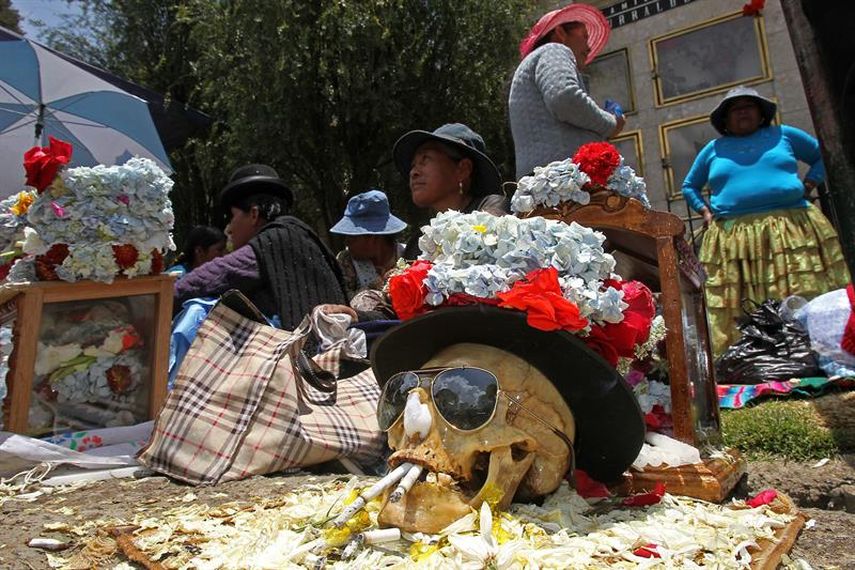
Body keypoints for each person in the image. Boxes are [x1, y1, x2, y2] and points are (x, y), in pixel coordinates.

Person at [682, 86, 850, 354]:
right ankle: (751, 354)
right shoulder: (714, 149)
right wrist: (705, 211)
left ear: (762, 114)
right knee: (737, 300)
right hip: (734, 237)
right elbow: (689, 185)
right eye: (736, 109)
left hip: (791, 229)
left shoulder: (785, 135)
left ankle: (816, 349)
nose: (744, 111)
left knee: (800, 290)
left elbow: (822, 154)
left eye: (750, 106)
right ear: (725, 120)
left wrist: (810, 182)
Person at [174, 164, 349, 330]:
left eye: (232, 216)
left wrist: (164, 297)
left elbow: (209, 277)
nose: (230, 228)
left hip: (303, 357)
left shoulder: (271, 243)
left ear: (254, 214)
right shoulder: (304, 236)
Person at [508, 3, 625, 178]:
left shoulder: (534, 62)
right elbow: (565, 97)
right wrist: (611, 124)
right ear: (561, 33)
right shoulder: (555, 49)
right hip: (561, 182)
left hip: (546, 182)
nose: (589, 47)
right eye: (584, 36)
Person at [393, 123, 508, 259]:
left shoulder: (492, 209)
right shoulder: (418, 244)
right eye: (413, 165)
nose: (413, 172)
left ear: (463, 169)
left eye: (425, 160)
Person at [330, 189, 407, 297]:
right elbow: (341, 300)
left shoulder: (409, 255)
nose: (346, 242)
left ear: (373, 236)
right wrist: (376, 286)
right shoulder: (346, 262)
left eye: (352, 237)